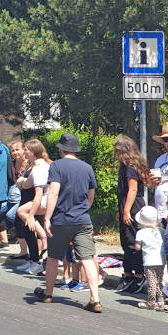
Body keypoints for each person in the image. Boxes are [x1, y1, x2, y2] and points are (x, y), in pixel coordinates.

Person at [33, 132, 103, 313]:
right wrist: (83, 210)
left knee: (54, 257)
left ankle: (48, 294)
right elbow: (91, 196)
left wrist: (47, 218)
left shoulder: (56, 166)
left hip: (61, 219)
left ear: (61, 148)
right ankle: (95, 299)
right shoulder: (87, 167)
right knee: (87, 258)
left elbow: (54, 192)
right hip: (82, 220)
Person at [114, 134, 151, 293]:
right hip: (127, 205)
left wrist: (127, 210)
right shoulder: (128, 165)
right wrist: (120, 210)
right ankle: (129, 274)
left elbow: (133, 189)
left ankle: (139, 276)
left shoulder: (130, 165)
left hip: (134, 205)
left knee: (132, 242)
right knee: (126, 241)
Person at [14, 140, 52, 275]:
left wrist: (30, 216)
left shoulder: (40, 167)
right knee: (26, 228)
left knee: (22, 213)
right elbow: (27, 184)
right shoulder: (34, 165)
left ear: (34, 152)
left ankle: (38, 255)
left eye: (27, 149)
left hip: (40, 200)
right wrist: (22, 182)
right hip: (32, 199)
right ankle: (33, 260)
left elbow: (39, 193)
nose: (24, 151)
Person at [133, 206, 166, 311]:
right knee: (159, 281)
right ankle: (160, 301)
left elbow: (137, 247)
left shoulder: (141, 233)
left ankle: (151, 302)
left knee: (151, 282)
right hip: (161, 260)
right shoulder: (162, 230)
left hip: (149, 261)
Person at [150, 122, 168, 223]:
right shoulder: (159, 159)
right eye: (166, 139)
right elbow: (153, 185)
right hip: (161, 212)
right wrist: (151, 182)